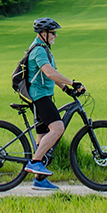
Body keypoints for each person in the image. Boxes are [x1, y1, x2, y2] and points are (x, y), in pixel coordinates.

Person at [21, 17, 85, 191]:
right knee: (57, 129)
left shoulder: (44, 49)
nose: (56, 35)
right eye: (53, 32)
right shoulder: (39, 50)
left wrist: (67, 90)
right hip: (40, 97)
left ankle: (39, 180)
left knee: (42, 138)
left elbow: (53, 75)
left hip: (44, 96)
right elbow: (49, 73)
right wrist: (73, 83)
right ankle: (34, 162)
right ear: (43, 33)